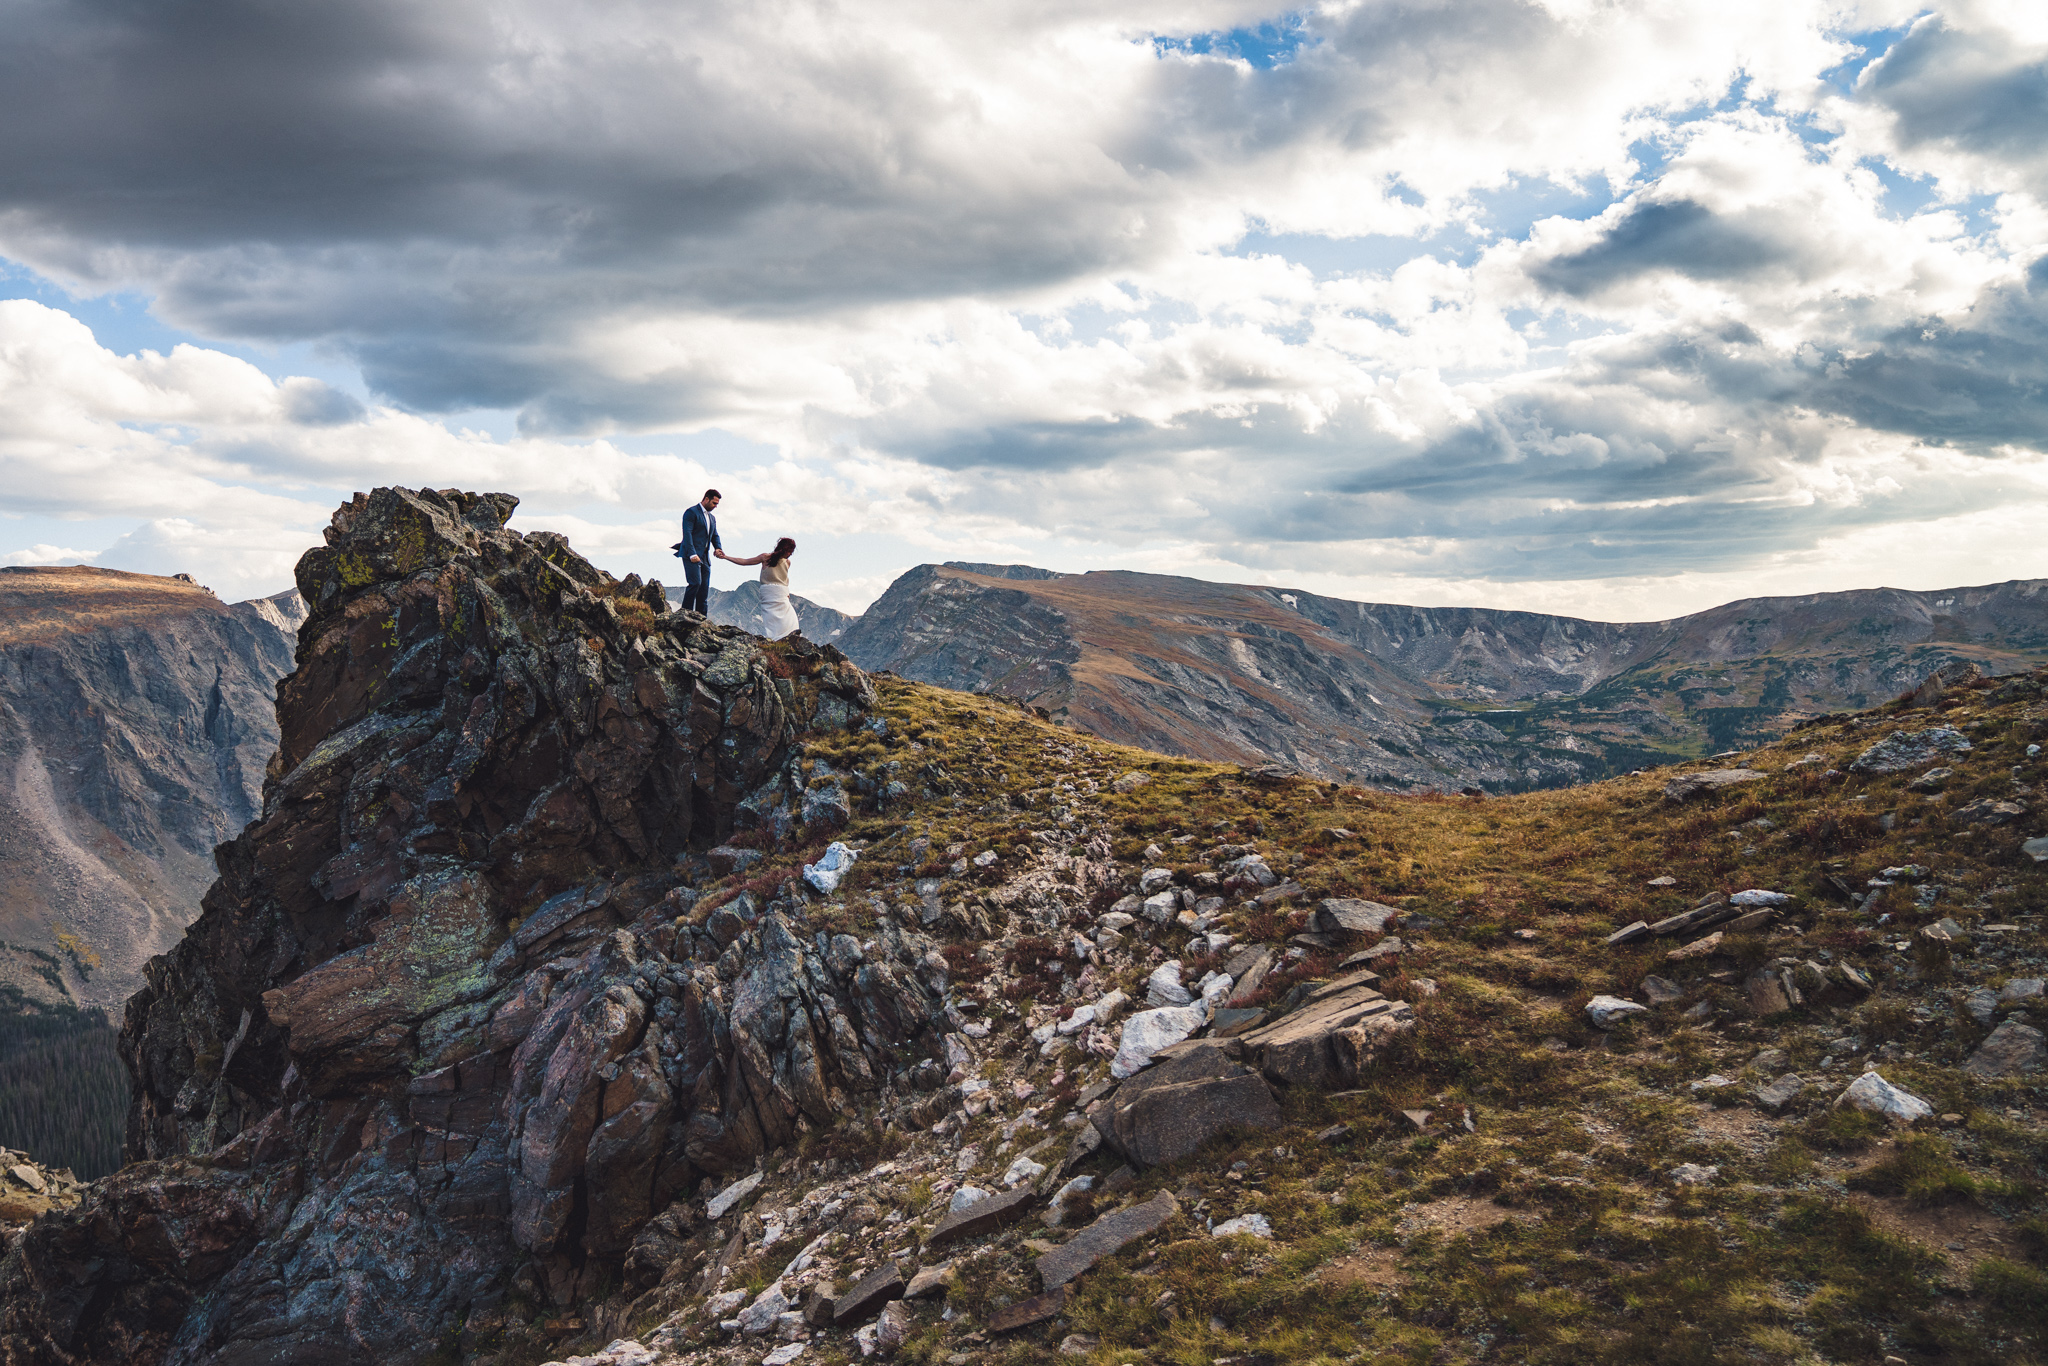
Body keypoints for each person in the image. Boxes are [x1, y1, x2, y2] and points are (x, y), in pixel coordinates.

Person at [720, 536, 800, 639]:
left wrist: (786, 592)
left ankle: (784, 639)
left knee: (787, 618)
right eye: (789, 551)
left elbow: (784, 579)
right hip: (772, 591)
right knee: (776, 617)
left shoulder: (786, 562)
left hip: (780, 592)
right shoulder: (766, 557)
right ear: (784, 549)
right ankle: (779, 639)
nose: (790, 554)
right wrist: (726, 557)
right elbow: (744, 562)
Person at [673, 489, 722, 614]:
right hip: (691, 554)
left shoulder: (712, 518)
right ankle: (685, 614)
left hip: (705, 557)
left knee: (704, 589)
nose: (715, 506)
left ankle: (702, 619)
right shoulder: (691, 512)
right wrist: (692, 554)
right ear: (706, 499)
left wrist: (718, 548)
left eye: (717, 504)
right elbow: (687, 534)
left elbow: (714, 535)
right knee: (695, 583)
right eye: (714, 503)